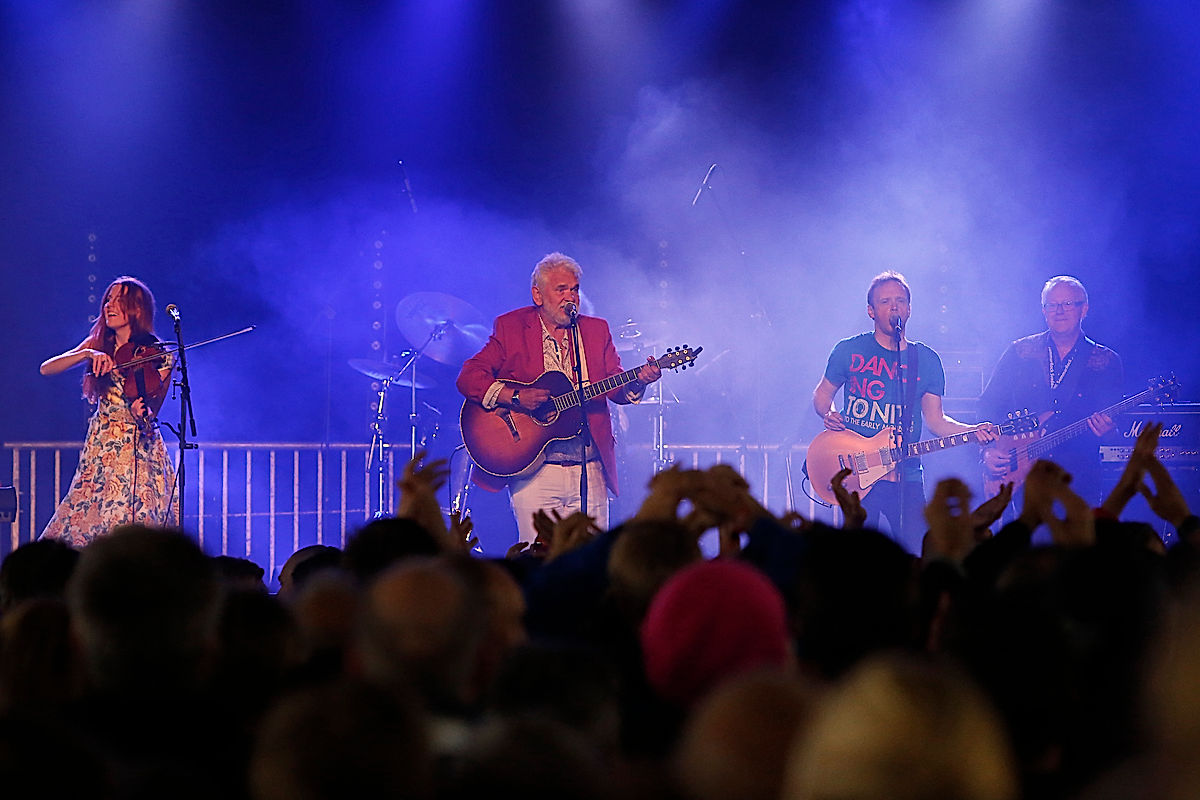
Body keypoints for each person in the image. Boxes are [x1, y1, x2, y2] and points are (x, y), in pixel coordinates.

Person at [457, 252, 661, 544]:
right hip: (535, 471)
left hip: (589, 467)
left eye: (575, 289)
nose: (571, 297)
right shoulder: (511, 327)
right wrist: (515, 397)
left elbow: (614, 385)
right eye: (561, 289)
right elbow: (468, 376)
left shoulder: (596, 330)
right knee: (539, 560)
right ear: (538, 295)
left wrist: (639, 381)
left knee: (590, 562)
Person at [812, 271, 995, 553]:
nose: (894, 306)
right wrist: (830, 412)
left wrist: (973, 431)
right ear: (871, 311)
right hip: (857, 473)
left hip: (905, 474)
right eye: (885, 301)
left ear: (909, 309)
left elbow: (936, 421)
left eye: (900, 300)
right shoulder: (849, 350)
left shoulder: (926, 359)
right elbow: (822, 395)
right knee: (858, 558)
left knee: (917, 551)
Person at [39, 276, 177, 546]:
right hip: (102, 443)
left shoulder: (157, 353)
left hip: (137, 446)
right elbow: (47, 368)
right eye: (108, 300)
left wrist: (142, 410)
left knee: (134, 519)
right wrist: (87, 354)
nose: (109, 305)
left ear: (137, 309)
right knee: (90, 513)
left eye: (119, 300)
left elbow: (153, 408)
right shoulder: (99, 343)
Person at [979, 275, 1124, 505]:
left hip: (1077, 480)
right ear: (1044, 311)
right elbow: (988, 405)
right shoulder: (1020, 352)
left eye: (1068, 304)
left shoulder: (1105, 361)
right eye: (1052, 305)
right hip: (1020, 482)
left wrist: (1109, 430)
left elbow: (1119, 427)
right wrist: (988, 450)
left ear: (1083, 309)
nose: (1059, 311)